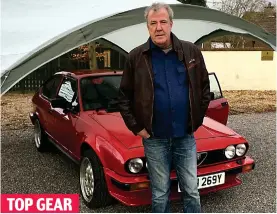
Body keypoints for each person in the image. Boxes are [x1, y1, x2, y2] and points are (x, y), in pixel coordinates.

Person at [118, 2, 210, 213]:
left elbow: (204, 89)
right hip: (155, 138)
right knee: (160, 193)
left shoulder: (191, 51)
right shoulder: (136, 57)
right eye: (153, 23)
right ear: (147, 27)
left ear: (171, 24)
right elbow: (123, 97)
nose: (158, 27)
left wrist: (196, 120)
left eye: (162, 22)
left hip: (185, 136)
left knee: (192, 190)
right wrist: (137, 128)